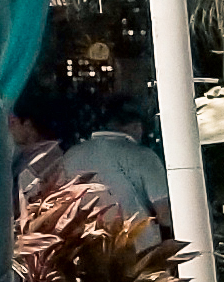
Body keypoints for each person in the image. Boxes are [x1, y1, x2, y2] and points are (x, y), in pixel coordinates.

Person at [56, 92, 171, 229]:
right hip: (136, 246)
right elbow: (165, 216)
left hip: (82, 246)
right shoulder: (144, 156)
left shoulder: (71, 155)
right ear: (136, 125)